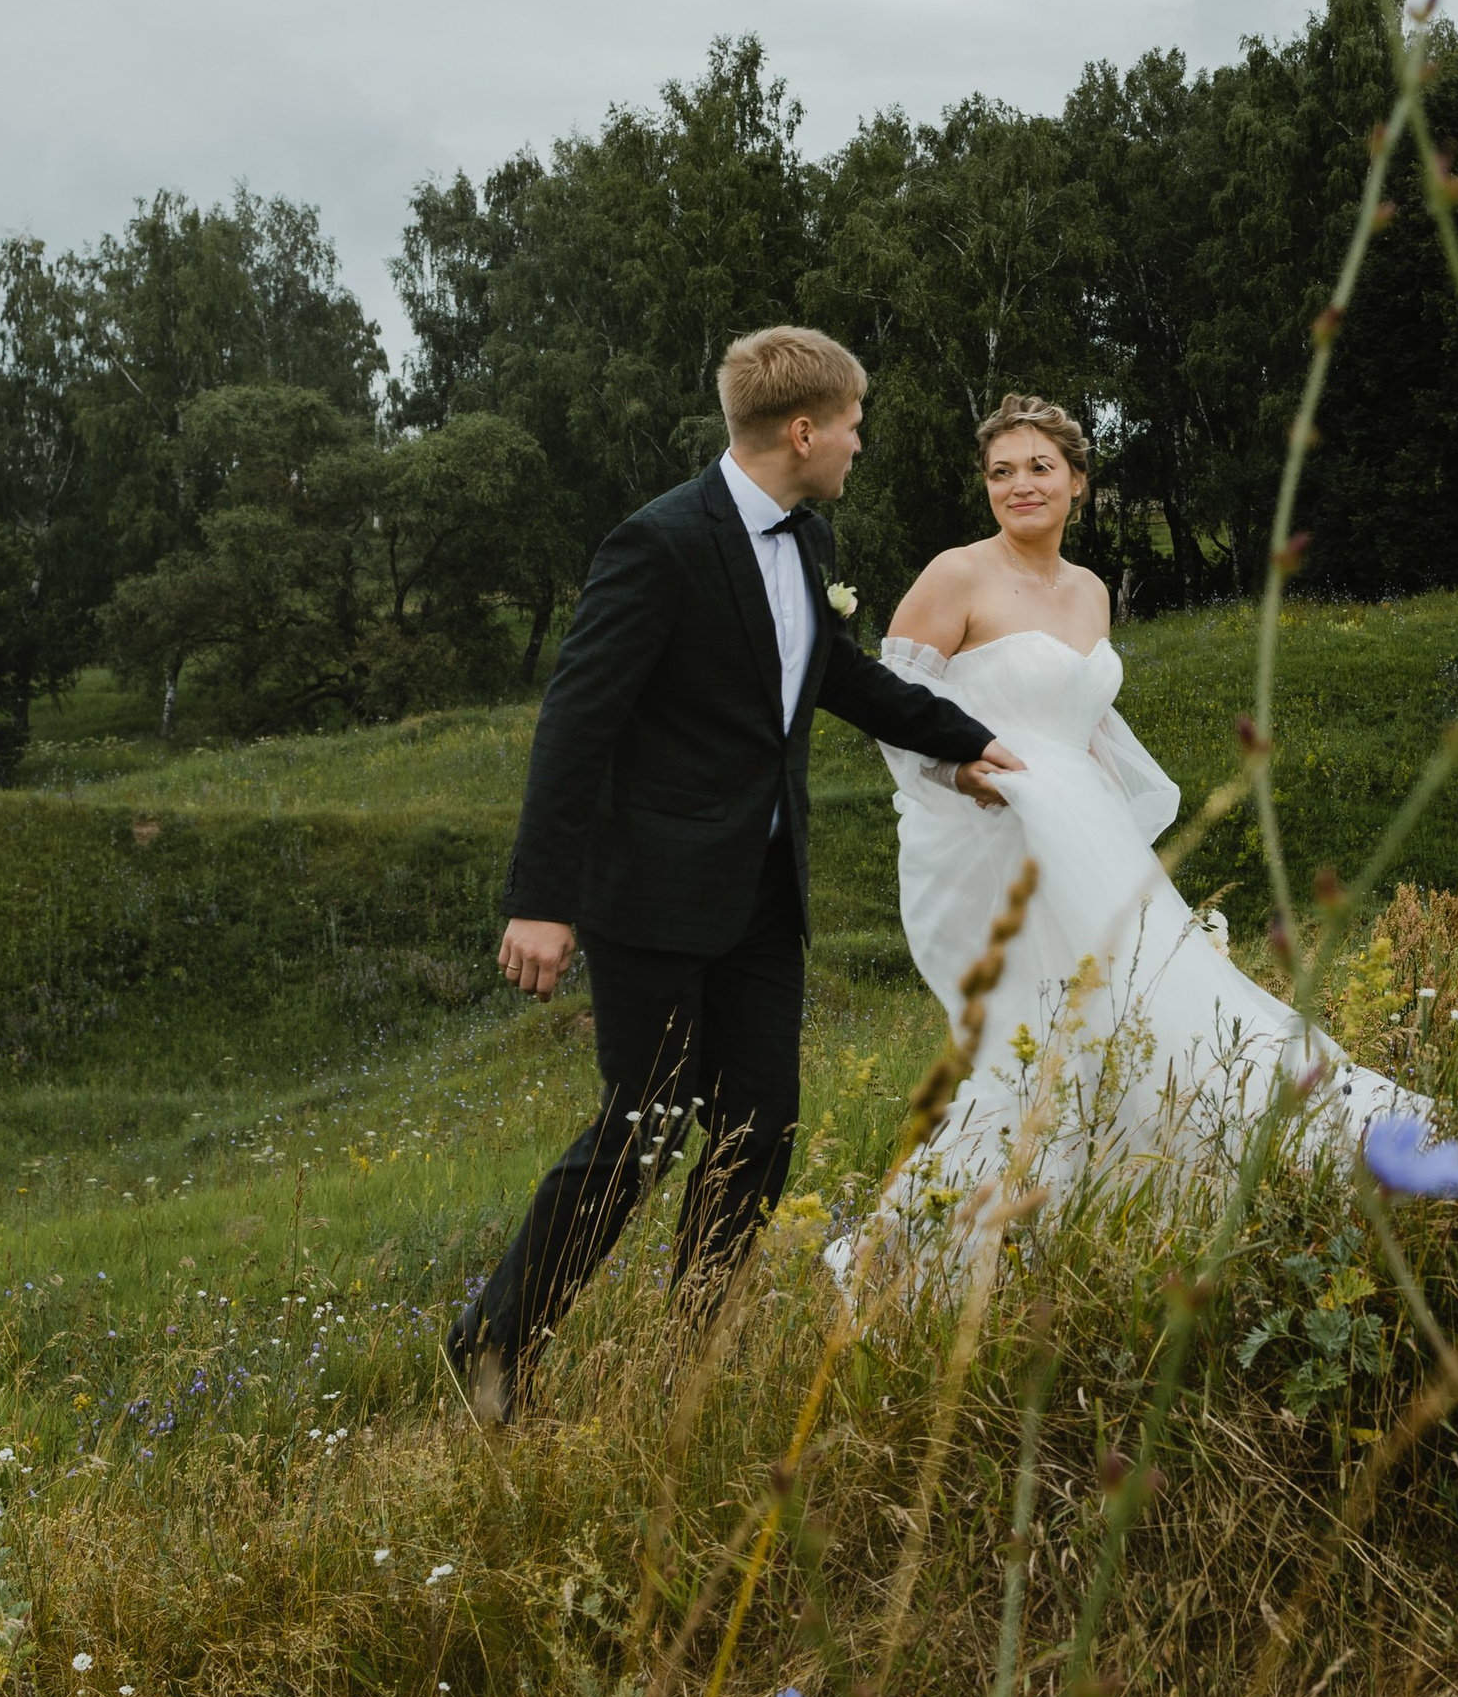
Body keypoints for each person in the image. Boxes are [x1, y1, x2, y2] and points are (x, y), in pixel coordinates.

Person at [448, 326, 1025, 1423]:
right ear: (803, 429)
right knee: (645, 1128)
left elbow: (838, 674)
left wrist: (966, 741)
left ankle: (691, 1364)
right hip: (652, 898)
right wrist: (540, 898)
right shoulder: (656, 543)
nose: (860, 441)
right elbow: (576, 723)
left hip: (763, 895)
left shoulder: (807, 540)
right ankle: (494, 1345)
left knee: (760, 1130)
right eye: (853, 423)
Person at [850, 394, 1401, 1263]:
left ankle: (1126, 1204)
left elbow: (1084, 720)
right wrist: (954, 772)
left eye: (1039, 468)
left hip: (1084, 833)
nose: (1019, 485)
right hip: (981, 837)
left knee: (1130, 1011)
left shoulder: (1092, 591)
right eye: (1001, 472)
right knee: (1023, 1031)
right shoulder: (955, 575)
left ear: (1076, 480)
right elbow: (891, 710)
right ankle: (954, 1239)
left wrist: (1120, 843)